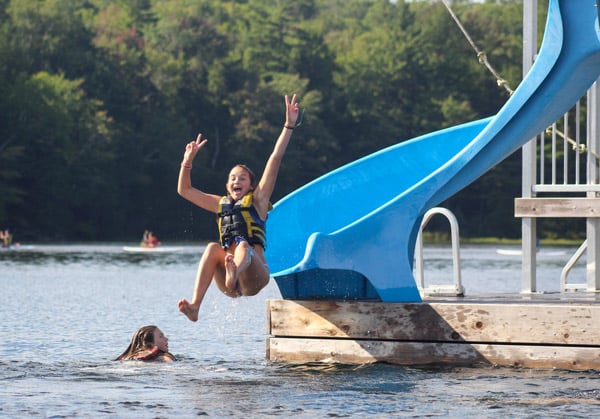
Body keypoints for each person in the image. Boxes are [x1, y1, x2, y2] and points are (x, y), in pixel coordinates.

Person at [177, 94, 300, 322]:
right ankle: (195, 306)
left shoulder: (258, 201)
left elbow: (275, 158)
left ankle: (236, 270)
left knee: (243, 245)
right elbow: (184, 190)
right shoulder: (219, 203)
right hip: (228, 283)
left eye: (242, 178)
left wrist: (289, 125)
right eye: (233, 178)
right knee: (213, 248)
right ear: (226, 185)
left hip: (255, 275)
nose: (237, 182)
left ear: (251, 185)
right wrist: (188, 161)